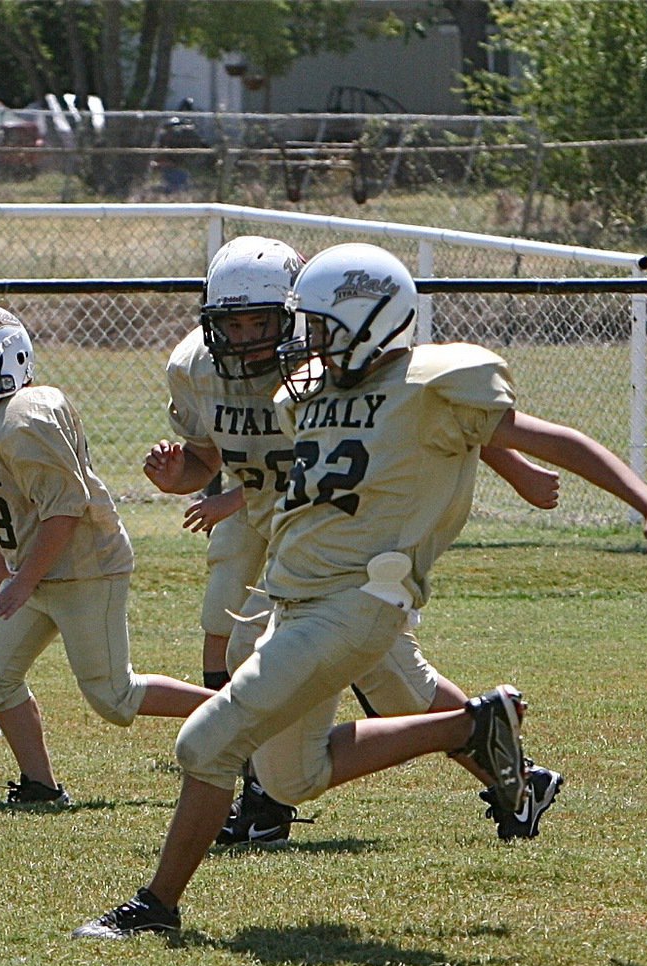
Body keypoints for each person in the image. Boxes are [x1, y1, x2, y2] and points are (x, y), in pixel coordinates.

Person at [73, 240, 647, 939]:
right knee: (290, 778)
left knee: (203, 747)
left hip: (355, 601)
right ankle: (469, 725)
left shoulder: (433, 384)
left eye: (317, 325)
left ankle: (154, 909)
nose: (304, 341)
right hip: (296, 597)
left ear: (367, 320)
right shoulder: (308, 392)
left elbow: (561, 439)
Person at [150, 237, 578, 845]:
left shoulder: (335, 359)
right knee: (399, 686)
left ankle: (266, 804)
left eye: (261, 322)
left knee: (278, 661)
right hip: (292, 538)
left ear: (299, 314)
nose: (245, 337)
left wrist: (517, 467)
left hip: (340, 543)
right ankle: (513, 771)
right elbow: (206, 456)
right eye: (232, 323)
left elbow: (430, 416)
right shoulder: (196, 366)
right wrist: (186, 478)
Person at [0, 302, 215, 806]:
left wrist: (18, 580)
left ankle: (246, 714)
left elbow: (64, 509)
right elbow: (19, 510)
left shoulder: (25, 416)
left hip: (84, 567)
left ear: (8, 357)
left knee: (113, 697)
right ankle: (40, 786)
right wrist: (2, 566)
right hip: (34, 569)